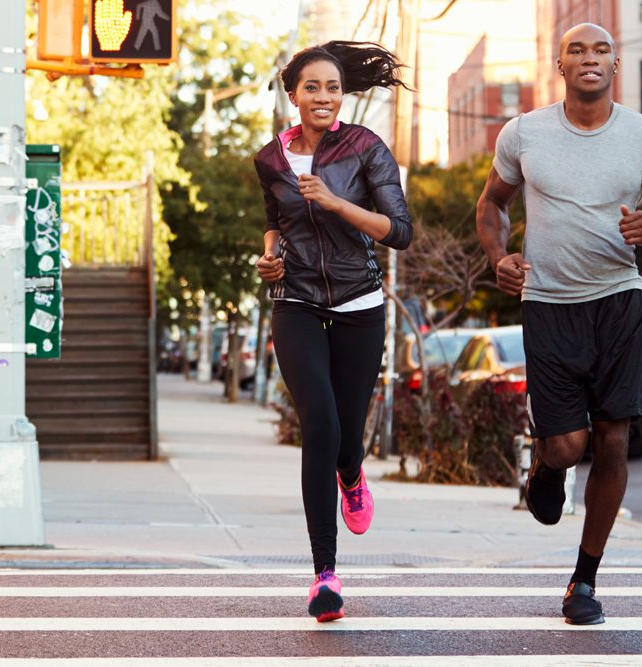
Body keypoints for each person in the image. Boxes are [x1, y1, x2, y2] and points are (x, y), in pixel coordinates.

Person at [476, 23, 642, 625]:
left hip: (619, 301)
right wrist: (499, 259)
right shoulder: (524, 134)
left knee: (613, 439)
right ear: (560, 65)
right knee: (569, 445)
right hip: (548, 301)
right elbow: (492, 203)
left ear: (615, 66)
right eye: (577, 50)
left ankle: (584, 581)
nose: (589, 58)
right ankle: (546, 463)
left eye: (600, 50)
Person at [253, 41, 413, 622]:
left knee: (347, 432)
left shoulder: (366, 148)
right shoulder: (269, 160)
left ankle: (353, 473)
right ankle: (325, 575)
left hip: (359, 304)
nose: (323, 97)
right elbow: (276, 224)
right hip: (294, 303)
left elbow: (400, 230)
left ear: (344, 96)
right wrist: (270, 258)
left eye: (334, 88)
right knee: (318, 421)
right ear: (292, 94)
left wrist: (339, 203)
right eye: (312, 87)